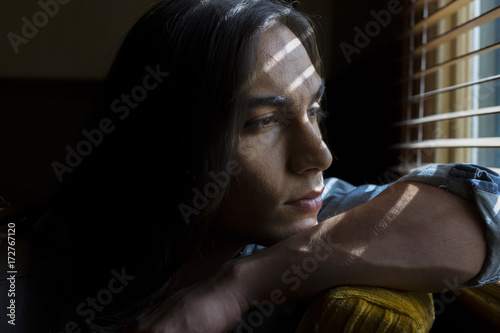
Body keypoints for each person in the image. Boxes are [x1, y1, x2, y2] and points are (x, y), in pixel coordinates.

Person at [1, 0, 498, 332]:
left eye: (314, 111)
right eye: (264, 121)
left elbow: (488, 207)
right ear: (169, 139)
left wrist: (239, 286)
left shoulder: (318, 223)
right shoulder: (25, 264)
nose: (319, 155)